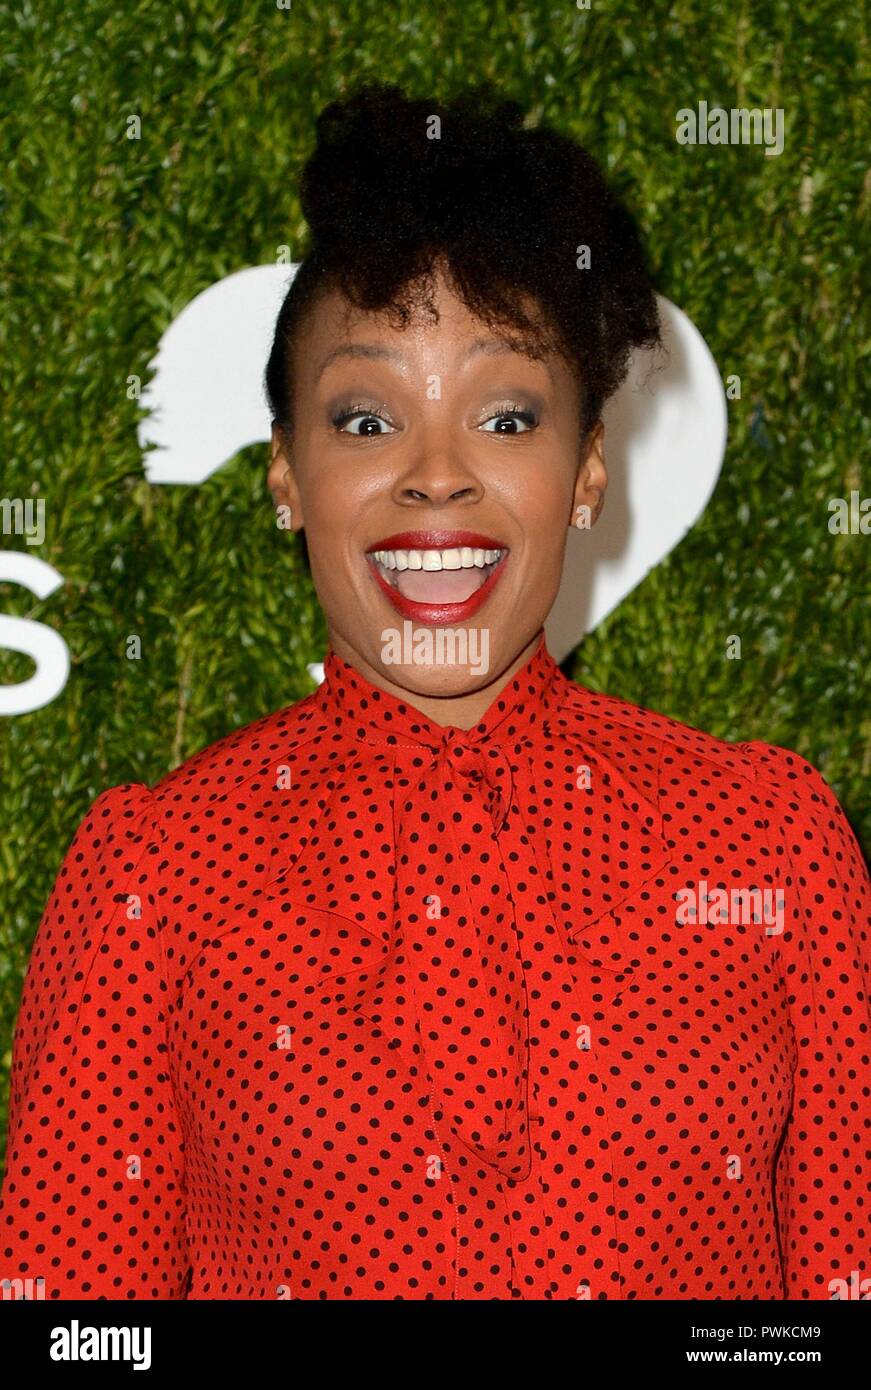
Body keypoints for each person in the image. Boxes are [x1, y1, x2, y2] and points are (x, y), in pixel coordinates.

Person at [1, 82, 868, 1301]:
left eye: (506, 415)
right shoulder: (157, 875)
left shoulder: (770, 841)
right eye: (366, 418)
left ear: (585, 473)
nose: (436, 478)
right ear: (288, 478)